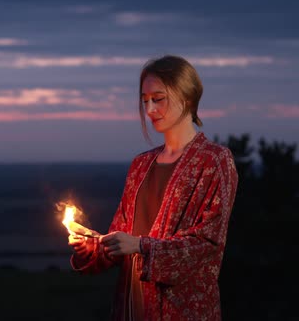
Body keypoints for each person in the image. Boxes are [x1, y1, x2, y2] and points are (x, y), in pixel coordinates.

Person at [68, 55, 238, 320]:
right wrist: (93, 247)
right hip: (131, 309)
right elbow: (121, 236)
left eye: (158, 99)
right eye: (145, 100)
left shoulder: (214, 161)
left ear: (187, 98)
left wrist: (141, 246)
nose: (149, 110)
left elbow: (207, 245)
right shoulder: (141, 165)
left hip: (183, 311)